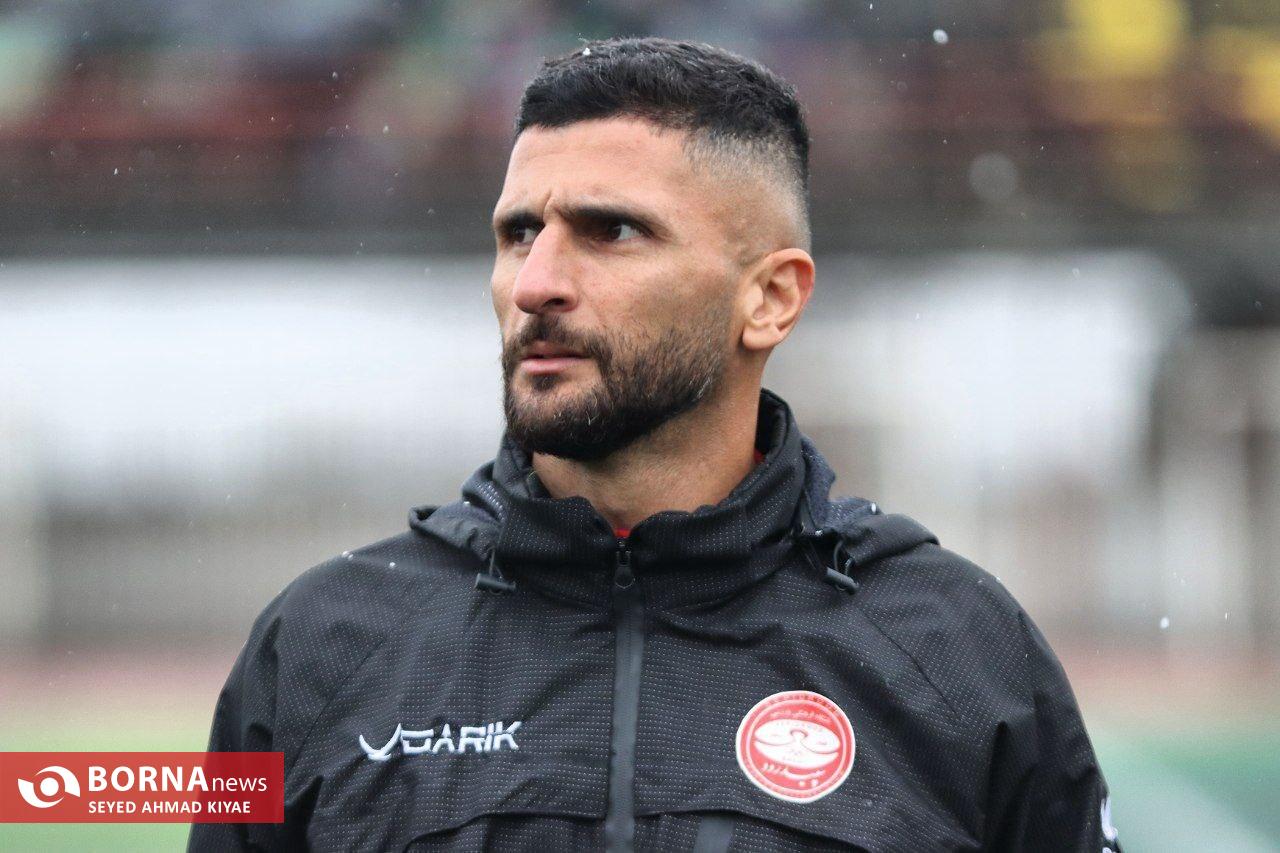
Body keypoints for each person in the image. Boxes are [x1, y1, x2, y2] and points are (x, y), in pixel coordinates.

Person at [190, 37, 1121, 852]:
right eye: (520, 233)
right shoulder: (318, 646)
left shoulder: (956, 649)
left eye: (612, 231)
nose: (536, 283)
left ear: (770, 299)